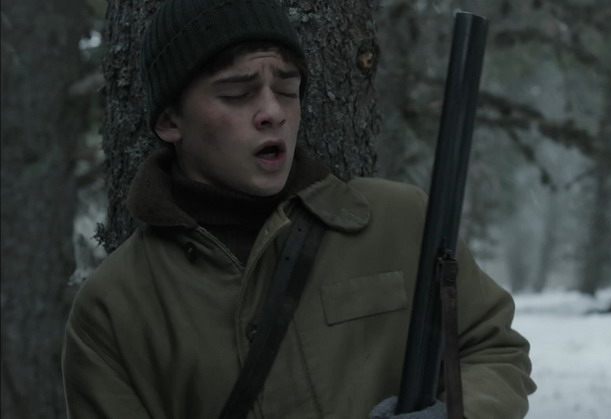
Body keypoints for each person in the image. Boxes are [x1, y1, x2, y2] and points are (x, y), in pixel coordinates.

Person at [61, 0, 536, 418]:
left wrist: (457, 414)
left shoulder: (403, 221)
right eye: (237, 93)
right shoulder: (114, 308)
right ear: (170, 121)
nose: (273, 112)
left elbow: (493, 348)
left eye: (287, 89)